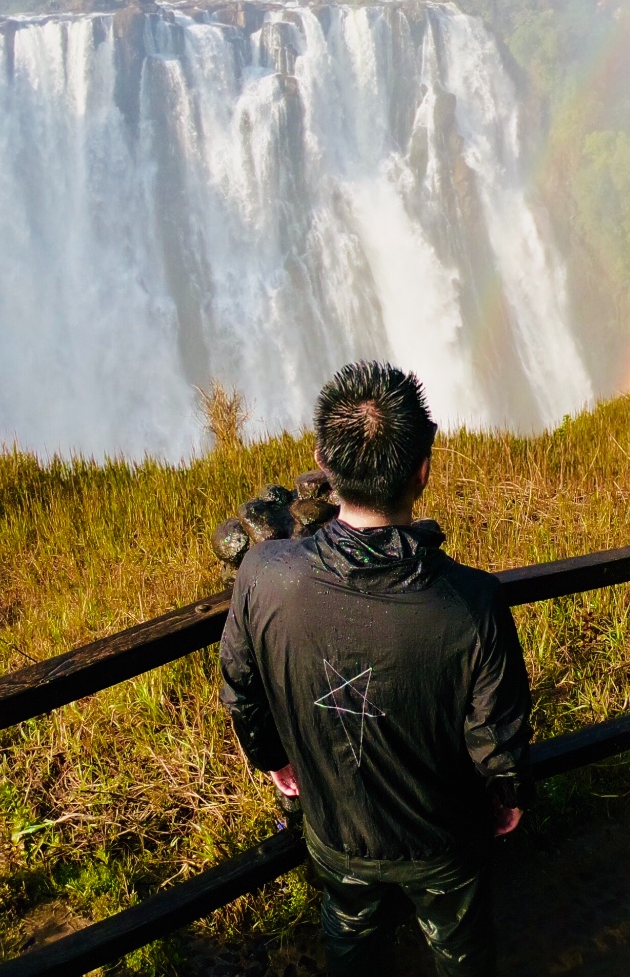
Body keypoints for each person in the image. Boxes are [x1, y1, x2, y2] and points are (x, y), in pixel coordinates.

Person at [220, 361, 530, 975]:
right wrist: (505, 797)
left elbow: (240, 691)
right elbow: (496, 736)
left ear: (325, 465)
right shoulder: (472, 602)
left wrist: (275, 761)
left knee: (351, 940)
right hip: (442, 843)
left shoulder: (264, 575)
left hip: (334, 831)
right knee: (460, 952)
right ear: (424, 469)